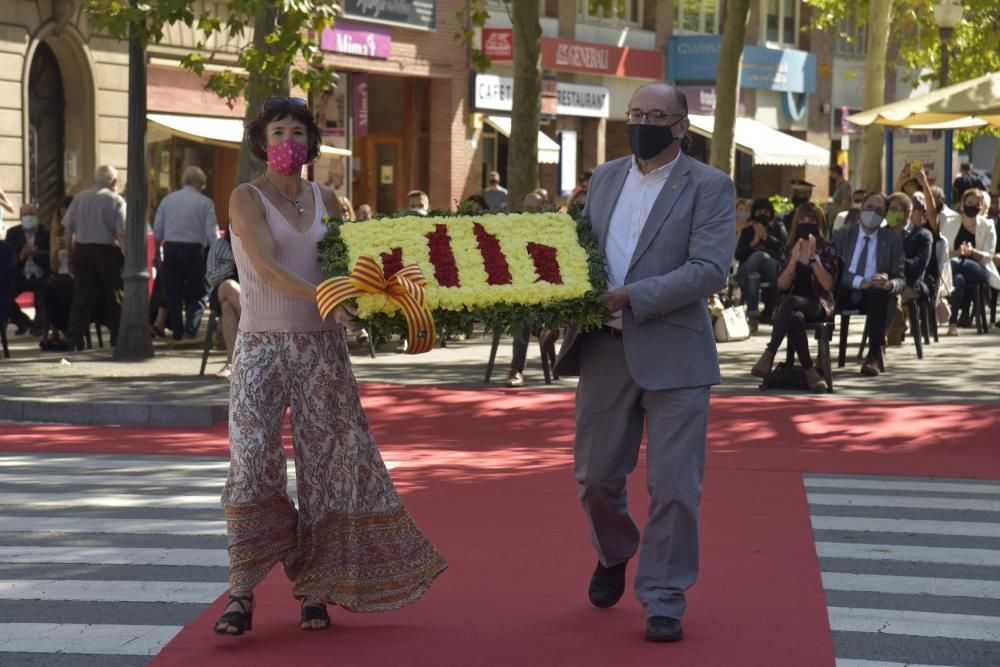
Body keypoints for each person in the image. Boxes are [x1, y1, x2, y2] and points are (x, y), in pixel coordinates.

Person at [214, 97, 445, 636]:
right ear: (261, 142)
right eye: (277, 131)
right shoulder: (245, 197)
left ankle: (316, 590)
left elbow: (353, 267)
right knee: (251, 462)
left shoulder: (330, 200)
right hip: (261, 348)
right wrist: (329, 297)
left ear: (312, 143)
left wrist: (375, 305)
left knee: (329, 467)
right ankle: (242, 591)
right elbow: (268, 268)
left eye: (298, 130)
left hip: (323, 350)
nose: (288, 140)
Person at [553, 82, 734, 643]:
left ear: (681, 125)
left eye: (658, 115)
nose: (645, 122)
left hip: (676, 352)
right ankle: (614, 551)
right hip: (604, 349)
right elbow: (576, 249)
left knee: (675, 486)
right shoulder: (604, 177)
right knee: (594, 478)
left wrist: (635, 295)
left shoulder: (710, 185)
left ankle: (664, 596)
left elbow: (709, 269)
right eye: (636, 113)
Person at [750, 203, 838, 392]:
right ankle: (809, 372)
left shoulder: (828, 249)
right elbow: (782, 285)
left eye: (812, 221)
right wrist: (793, 261)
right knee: (795, 317)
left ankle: (769, 353)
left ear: (819, 224)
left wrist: (814, 259)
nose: (807, 224)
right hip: (791, 308)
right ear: (796, 223)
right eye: (803, 220)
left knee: (790, 303)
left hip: (817, 304)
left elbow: (828, 285)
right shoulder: (788, 248)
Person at [832, 192, 905, 376]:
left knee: (880, 294)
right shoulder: (843, 234)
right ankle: (820, 355)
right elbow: (832, 271)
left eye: (879, 210)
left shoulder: (891, 241)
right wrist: (859, 282)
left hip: (874, 293)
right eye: (869, 207)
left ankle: (873, 355)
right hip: (845, 290)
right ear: (861, 207)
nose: (873, 213)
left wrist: (889, 284)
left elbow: (901, 279)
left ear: (884, 215)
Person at [63, 165, 126, 350]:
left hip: (82, 250)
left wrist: (70, 253)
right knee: (114, 296)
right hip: (107, 252)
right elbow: (121, 233)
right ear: (113, 181)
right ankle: (118, 338)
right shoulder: (116, 200)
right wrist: (127, 254)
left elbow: (68, 230)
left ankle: (74, 340)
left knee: (81, 296)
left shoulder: (80, 198)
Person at [153, 166, 218, 340]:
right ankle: (190, 328)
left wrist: (156, 252)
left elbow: (158, 229)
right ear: (201, 184)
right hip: (194, 250)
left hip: (171, 248)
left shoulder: (168, 200)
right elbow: (212, 232)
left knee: (173, 292)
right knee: (200, 292)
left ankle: (177, 331)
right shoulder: (205, 202)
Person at [505, 190, 558, 386]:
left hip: (549, 294)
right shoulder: (512, 232)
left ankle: (516, 369)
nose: (530, 212)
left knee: (530, 309)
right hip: (520, 292)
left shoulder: (553, 231)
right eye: (527, 208)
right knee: (523, 311)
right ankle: (541, 333)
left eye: (535, 208)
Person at [940, 188, 1000, 334]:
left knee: (955, 265)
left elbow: (989, 255)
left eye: (976, 203)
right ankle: (953, 324)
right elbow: (943, 252)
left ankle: (944, 301)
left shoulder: (987, 225)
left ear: (981, 206)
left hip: (979, 269)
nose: (972, 206)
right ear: (962, 204)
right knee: (959, 279)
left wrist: (972, 252)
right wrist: (957, 252)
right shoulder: (951, 223)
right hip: (955, 269)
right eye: (969, 202)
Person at [885, 192, 933, 346]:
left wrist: (894, 259)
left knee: (891, 290)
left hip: (912, 284)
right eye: (888, 209)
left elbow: (917, 268)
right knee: (884, 291)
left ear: (907, 212)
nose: (889, 213)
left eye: (894, 209)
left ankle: (884, 338)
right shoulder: (881, 234)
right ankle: (896, 328)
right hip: (884, 281)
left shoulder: (923, 235)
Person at [734, 198, 788, 329]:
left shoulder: (777, 228)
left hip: (773, 269)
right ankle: (753, 317)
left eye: (766, 211)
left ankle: (734, 281)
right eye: (759, 212)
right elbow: (738, 255)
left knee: (760, 256)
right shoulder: (748, 231)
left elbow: (785, 250)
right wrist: (753, 243)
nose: (762, 214)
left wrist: (766, 238)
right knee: (752, 277)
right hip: (751, 270)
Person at [6, 203, 50, 336]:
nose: (29, 217)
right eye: (26, 215)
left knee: (46, 288)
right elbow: (9, 260)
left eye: (32, 214)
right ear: (20, 217)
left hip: (41, 274)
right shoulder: (13, 233)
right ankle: (23, 322)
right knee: (3, 292)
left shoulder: (46, 233)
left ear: (38, 216)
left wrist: (38, 254)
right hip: (21, 275)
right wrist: (21, 256)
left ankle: (38, 326)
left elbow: (51, 257)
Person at [40, 196, 75, 350]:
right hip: (60, 275)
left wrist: (70, 248)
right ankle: (53, 330)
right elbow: (53, 266)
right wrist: (56, 251)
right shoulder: (55, 233)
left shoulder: (80, 232)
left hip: (75, 275)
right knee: (50, 289)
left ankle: (63, 331)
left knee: (63, 287)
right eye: (62, 216)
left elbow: (77, 264)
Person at [204, 228, 240, 379]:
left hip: (250, 293)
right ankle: (259, 328)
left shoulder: (256, 240)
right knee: (229, 285)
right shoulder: (220, 245)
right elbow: (211, 277)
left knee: (228, 307)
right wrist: (232, 265)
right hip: (219, 290)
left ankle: (232, 364)